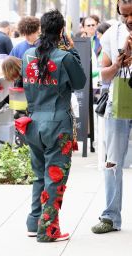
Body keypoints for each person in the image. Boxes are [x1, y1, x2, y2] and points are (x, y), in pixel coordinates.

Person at [21, 9, 86, 242]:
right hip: (57, 125)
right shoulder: (64, 57)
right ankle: (48, 230)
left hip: (33, 123)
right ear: (61, 31)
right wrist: (72, 49)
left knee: (40, 175)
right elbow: (80, 82)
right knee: (55, 177)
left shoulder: (28, 55)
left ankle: (33, 222)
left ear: (41, 29)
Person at [91, 0, 132, 234]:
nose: (129, 20)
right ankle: (110, 216)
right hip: (119, 101)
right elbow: (104, 75)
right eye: (124, 15)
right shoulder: (111, 34)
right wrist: (119, 63)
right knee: (112, 161)